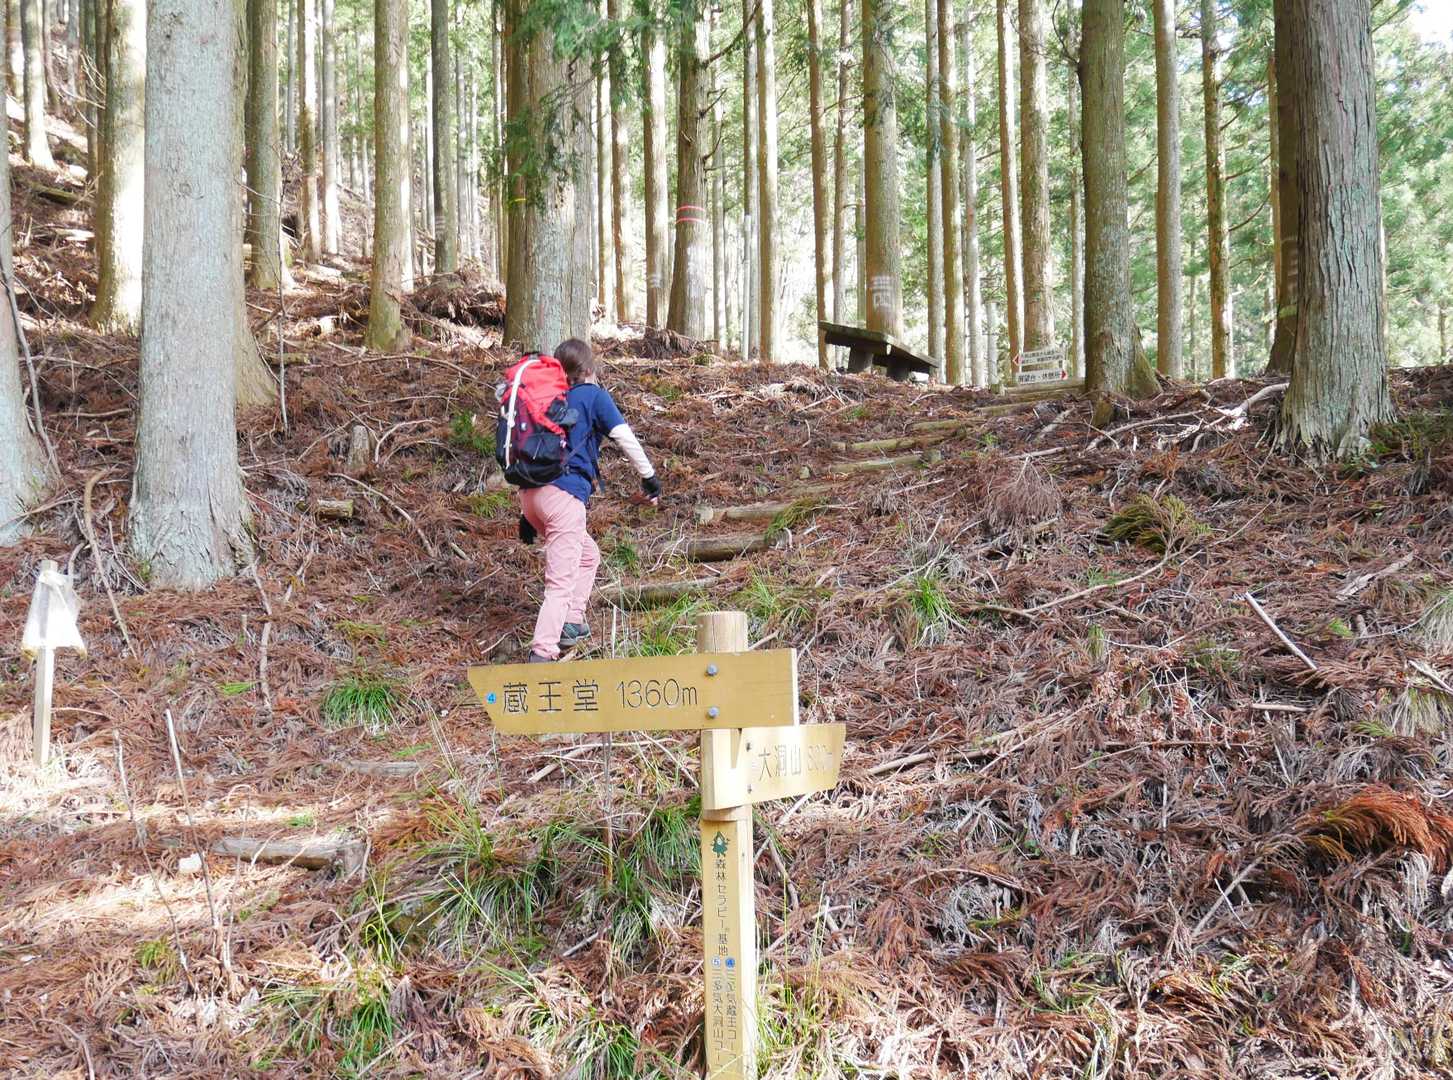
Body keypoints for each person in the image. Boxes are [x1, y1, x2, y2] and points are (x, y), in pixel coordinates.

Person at [518, 338, 661, 662]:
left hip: (530, 497)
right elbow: (623, 436)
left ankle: (571, 622)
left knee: (587, 555)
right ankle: (542, 653)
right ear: (588, 369)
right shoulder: (593, 396)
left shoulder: (548, 399)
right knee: (560, 584)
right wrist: (649, 477)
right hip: (563, 499)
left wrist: (527, 515)